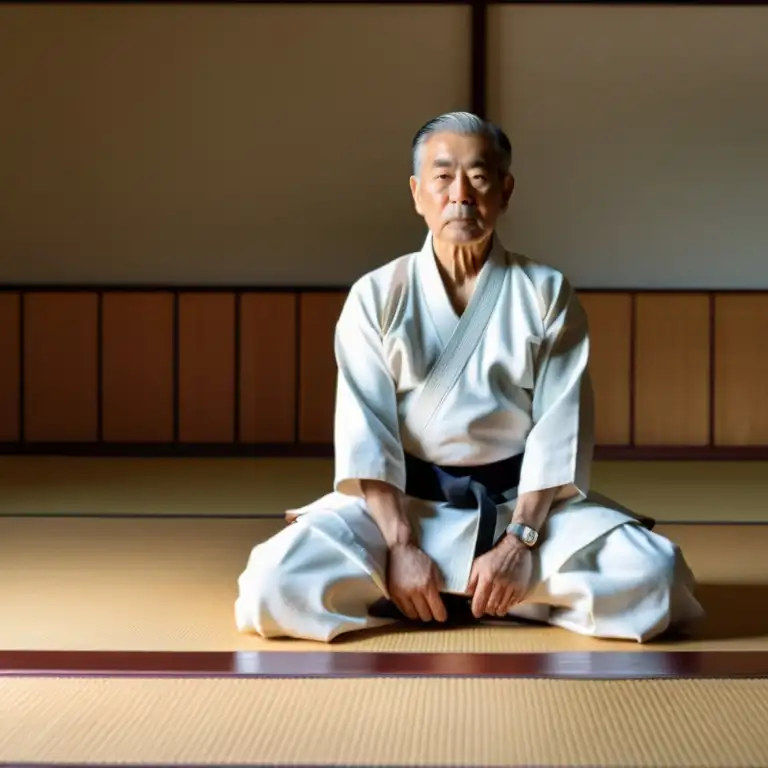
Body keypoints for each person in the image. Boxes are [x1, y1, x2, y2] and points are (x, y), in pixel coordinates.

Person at [234, 111, 704, 644]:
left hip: (519, 508)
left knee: (656, 581)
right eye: (442, 177)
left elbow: (559, 429)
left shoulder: (545, 292)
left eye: (479, 178)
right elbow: (367, 435)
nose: (461, 194)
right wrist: (401, 545)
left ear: (504, 191)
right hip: (399, 506)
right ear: (417, 193)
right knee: (271, 586)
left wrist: (518, 545)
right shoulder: (377, 294)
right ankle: (490, 596)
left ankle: (463, 590)